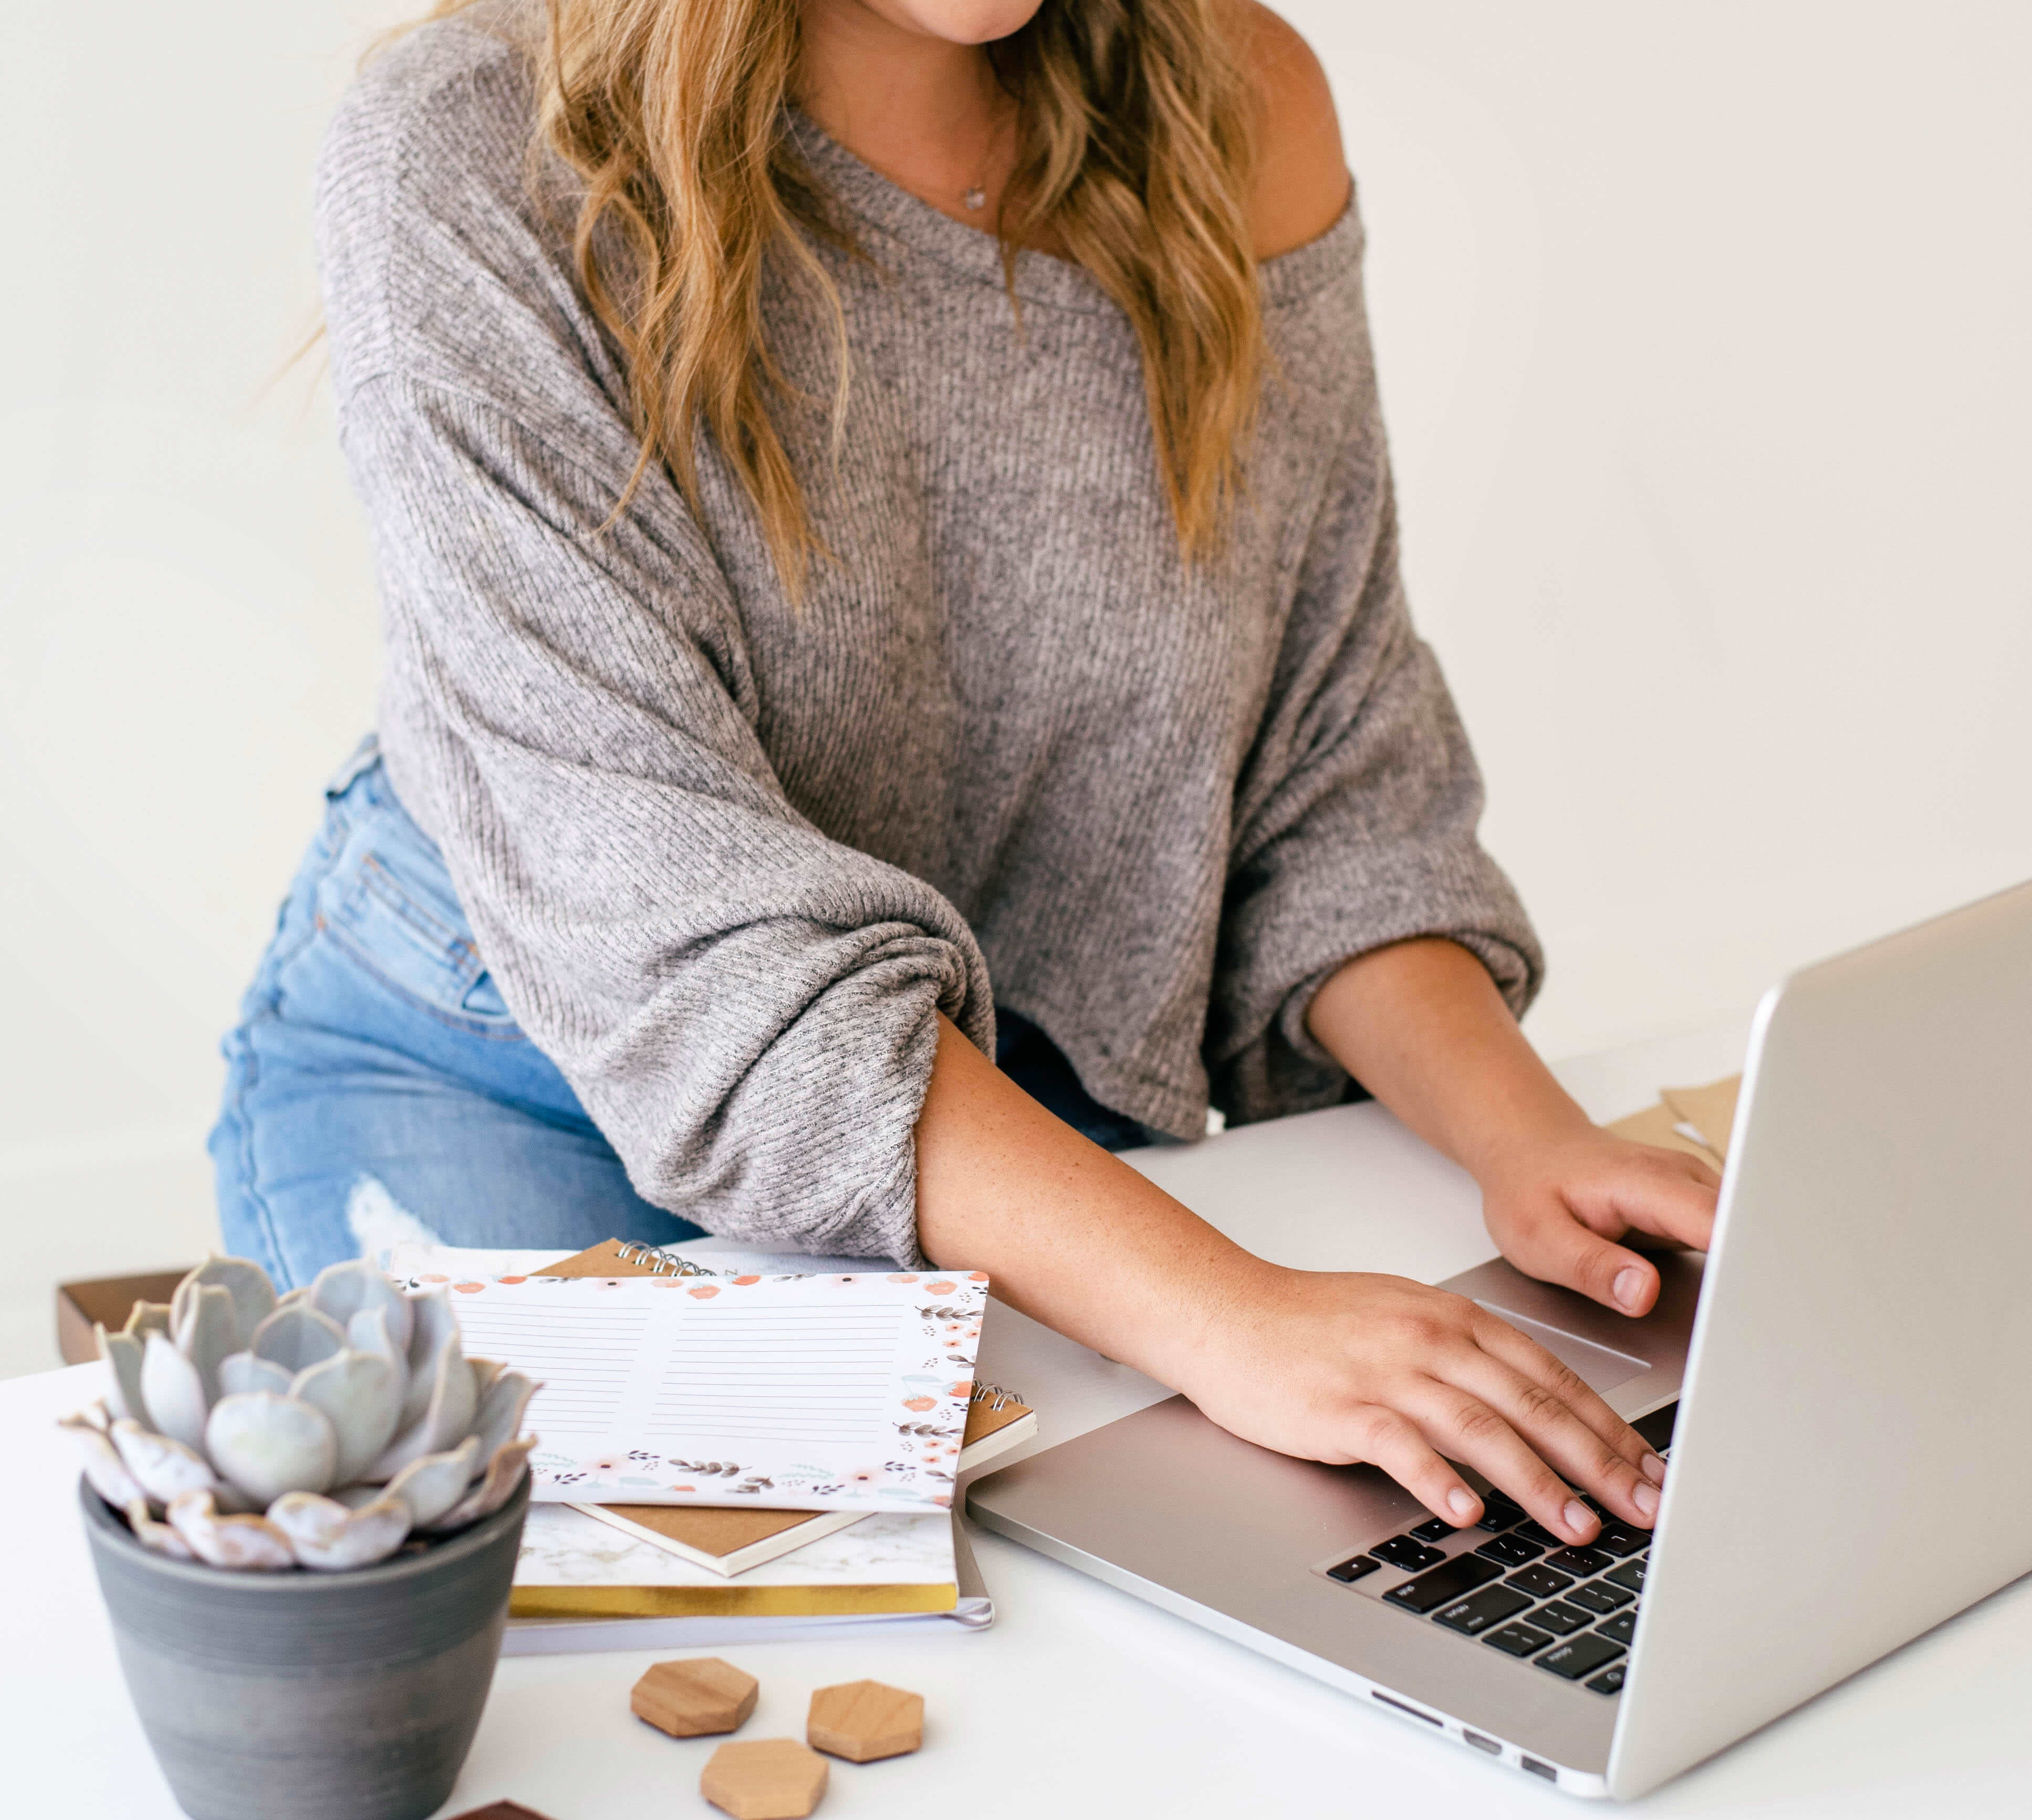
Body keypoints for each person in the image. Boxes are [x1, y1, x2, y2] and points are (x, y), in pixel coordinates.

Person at [212, 0, 1715, 1550]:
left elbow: (1319, 763)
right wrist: (1228, 1315)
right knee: (617, 1663)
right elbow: (674, 938)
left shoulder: (1238, 105)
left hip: (1011, 1090)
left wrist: (1530, 1144)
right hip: (510, 1074)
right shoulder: (473, 148)